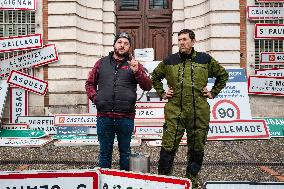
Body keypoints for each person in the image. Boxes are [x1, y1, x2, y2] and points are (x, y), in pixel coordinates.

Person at [151, 29, 228, 188]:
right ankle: (164, 181)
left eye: (185, 39)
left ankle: (191, 179)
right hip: (175, 112)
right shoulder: (170, 61)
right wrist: (162, 93)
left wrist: (213, 92)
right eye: (179, 40)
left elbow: (223, 75)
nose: (181, 42)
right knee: (168, 146)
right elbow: (155, 77)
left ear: (193, 42)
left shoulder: (205, 59)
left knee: (197, 147)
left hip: (198, 112)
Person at [85, 32, 152, 171]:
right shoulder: (101, 63)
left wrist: (137, 72)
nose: (122, 45)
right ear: (114, 44)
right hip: (104, 117)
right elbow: (89, 84)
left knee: (125, 153)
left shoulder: (134, 64)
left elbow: (147, 86)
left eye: (126, 43)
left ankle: (124, 182)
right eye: (119, 42)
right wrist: (96, 99)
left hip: (125, 118)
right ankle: (105, 181)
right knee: (104, 154)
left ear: (130, 47)